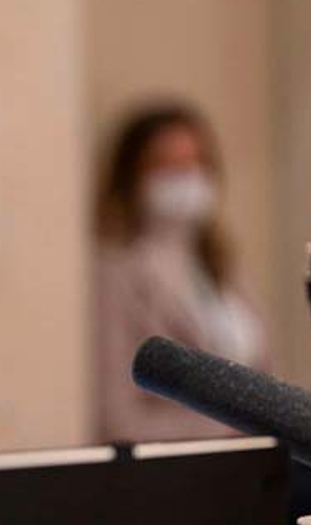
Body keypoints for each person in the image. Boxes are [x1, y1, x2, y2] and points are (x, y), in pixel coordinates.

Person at [93, 103, 268, 443]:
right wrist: (230, 429)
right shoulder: (116, 272)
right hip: (173, 469)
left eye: (194, 162)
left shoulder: (221, 267)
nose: (186, 177)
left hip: (250, 460)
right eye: (167, 165)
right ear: (131, 176)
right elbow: (118, 417)